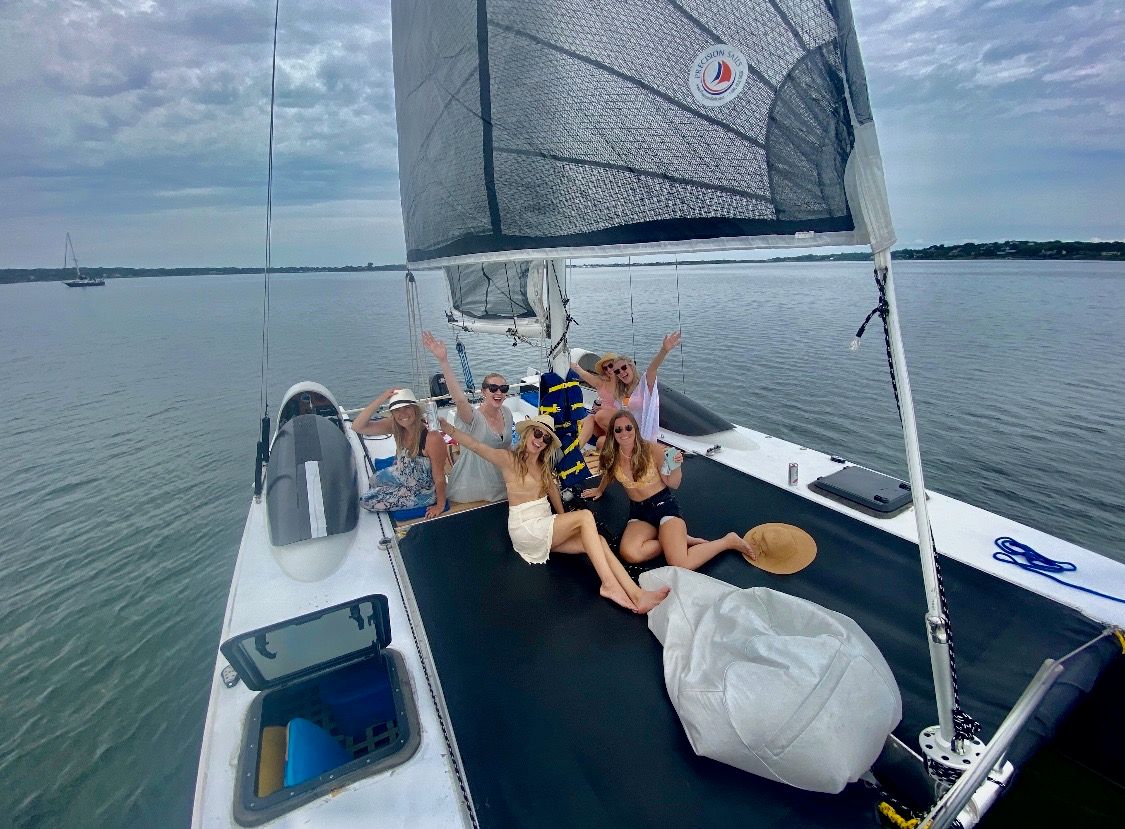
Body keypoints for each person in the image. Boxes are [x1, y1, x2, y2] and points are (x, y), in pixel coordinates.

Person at [437, 413, 670, 614]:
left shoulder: (544, 467)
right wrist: (450, 429)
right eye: (537, 434)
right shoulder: (508, 459)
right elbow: (477, 446)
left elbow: (554, 495)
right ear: (528, 433)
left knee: (597, 539)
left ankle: (637, 594)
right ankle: (609, 584)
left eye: (546, 438)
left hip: (546, 524)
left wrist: (563, 519)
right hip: (525, 528)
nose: (540, 440)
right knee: (585, 517)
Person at [582, 409, 755, 570]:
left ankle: (727, 541)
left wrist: (676, 466)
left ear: (635, 429)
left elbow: (673, 483)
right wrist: (599, 489)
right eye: (618, 430)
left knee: (680, 562)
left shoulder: (652, 450)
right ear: (612, 433)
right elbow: (609, 473)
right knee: (629, 554)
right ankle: (671, 540)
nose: (624, 433)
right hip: (639, 513)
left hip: (664, 507)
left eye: (628, 427)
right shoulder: (612, 454)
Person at [422, 331, 514, 503]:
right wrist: (443, 361)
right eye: (493, 388)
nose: (498, 392)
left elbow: (507, 448)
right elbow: (460, 400)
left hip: (502, 485)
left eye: (503, 388)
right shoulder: (473, 417)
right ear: (483, 392)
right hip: (472, 488)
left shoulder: (507, 413)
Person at [353, 388, 448, 518]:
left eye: (406, 407)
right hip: (403, 473)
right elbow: (357, 426)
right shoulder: (396, 427)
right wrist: (382, 398)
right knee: (373, 480)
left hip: (420, 489)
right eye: (397, 410)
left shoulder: (432, 438)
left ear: (415, 409)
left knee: (366, 500)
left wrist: (440, 505)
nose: (402, 413)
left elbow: (439, 476)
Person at [575, 331, 682, 446]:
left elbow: (652, 369)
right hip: (624, 431)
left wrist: (664, 350)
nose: (621, 372)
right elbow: (619, 413)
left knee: (600, 424)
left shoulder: (644, 385)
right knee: (599, 439)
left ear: (631, 366)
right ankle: (575, 448)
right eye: (617, 371)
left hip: (641, 436)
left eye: (624, 367)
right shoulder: (622, 392)